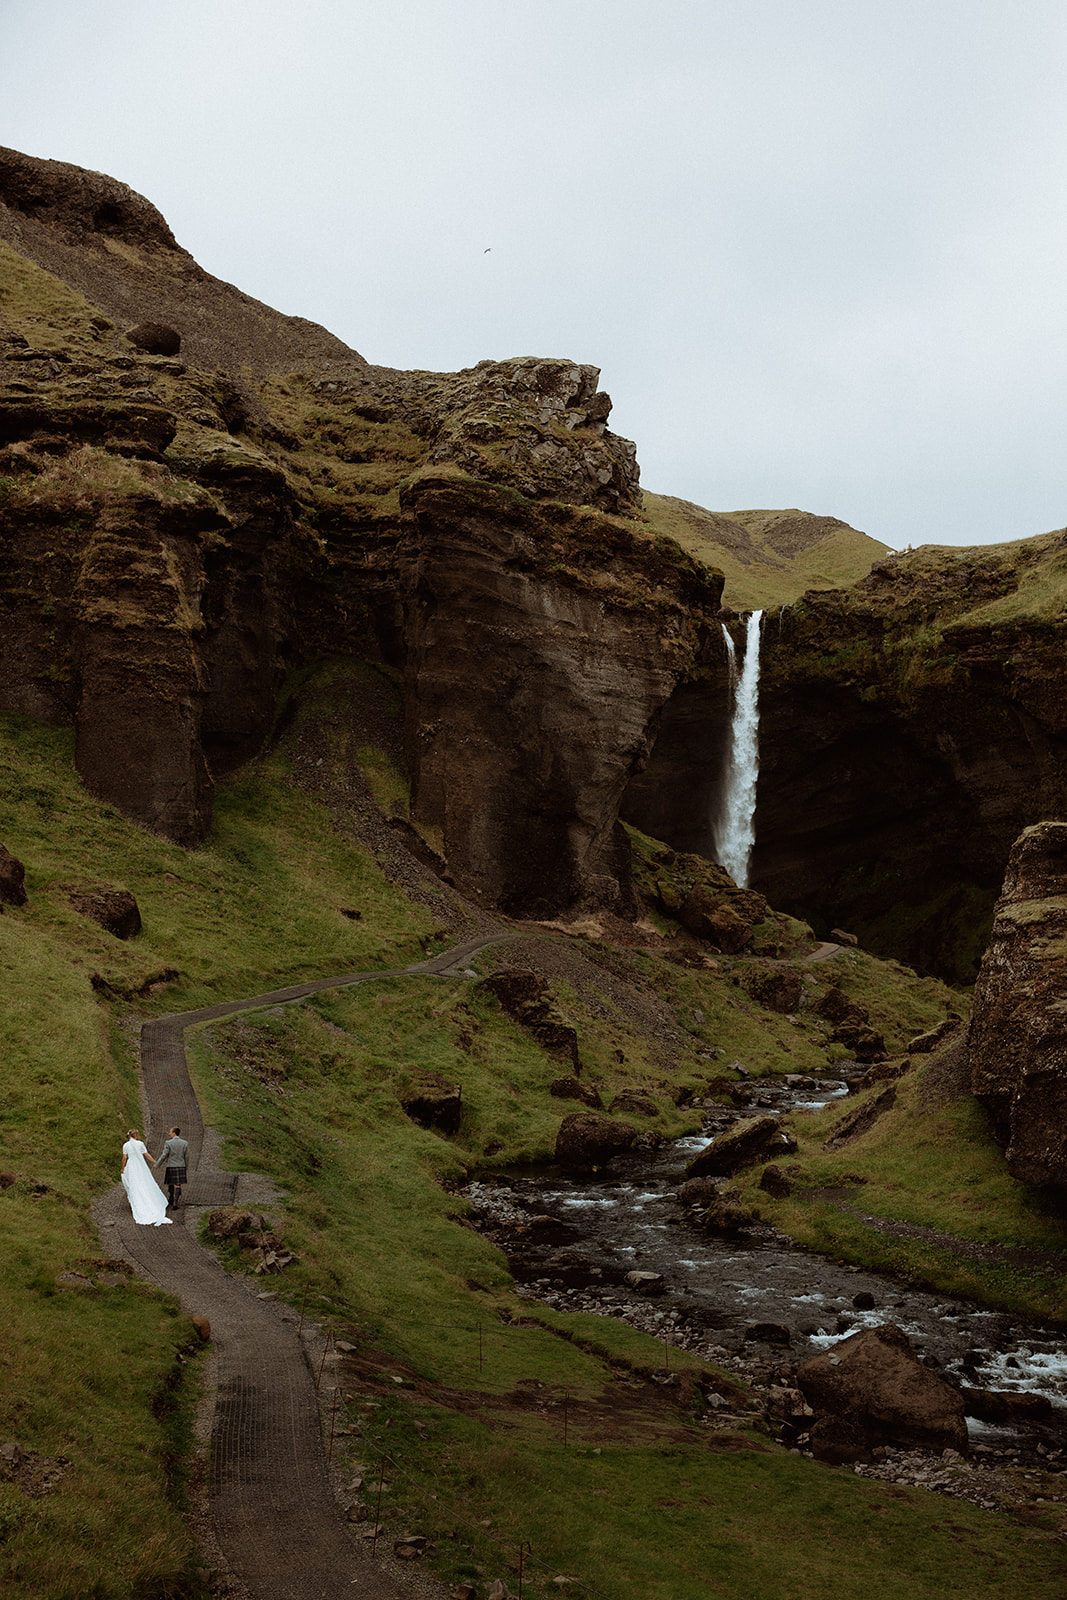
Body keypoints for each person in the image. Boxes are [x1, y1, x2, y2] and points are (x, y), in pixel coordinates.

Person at [120, 1129, 172, 1226]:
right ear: (135, 1135)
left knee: (134, 1183)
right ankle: (150, 1200)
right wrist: (154, 1161)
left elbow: (124, 1158)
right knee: (144, 1181)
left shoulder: (126, 1145)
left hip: (131, 1165)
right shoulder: (140, 1144)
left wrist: (122, 1168)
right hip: (140, 1165)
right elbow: (146, 1154)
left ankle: (137, 1201)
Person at [157, 1126, 189, 1209]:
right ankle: (175, 1202)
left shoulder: (168, 1143)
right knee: (178, 1184)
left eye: (170, 1132)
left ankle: (171, 1198)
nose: (169, 1133)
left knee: (170, 1182)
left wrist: (158, 1164)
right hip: (181, 1166)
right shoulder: (185, 1143)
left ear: (174, 1133)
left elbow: (164, 1155)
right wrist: (186, 1167)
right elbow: (187, 1157)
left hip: (171, 1166)